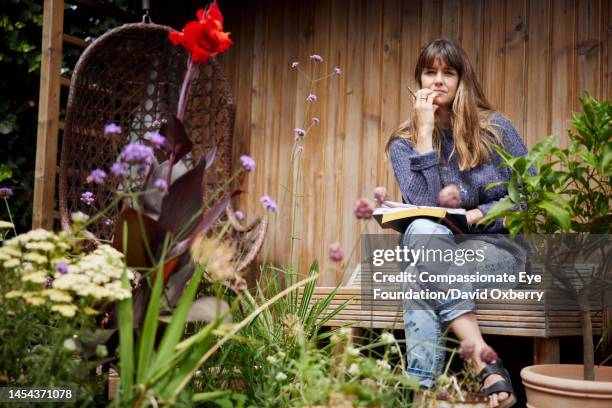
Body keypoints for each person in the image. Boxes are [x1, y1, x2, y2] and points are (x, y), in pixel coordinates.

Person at [386, 38, 528, 408]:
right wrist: (422, 133)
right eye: (429, 72)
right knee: (421, 234)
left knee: (420, 270)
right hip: (435, 250)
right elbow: (421, 206)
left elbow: (527, 194)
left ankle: (422, 394)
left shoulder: (496, 129)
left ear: (462, 79)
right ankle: (486, 362)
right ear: (417, 79)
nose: (437, 81)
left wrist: (482, 214)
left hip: (498, 251)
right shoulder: (403, 144)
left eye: (447, 72)